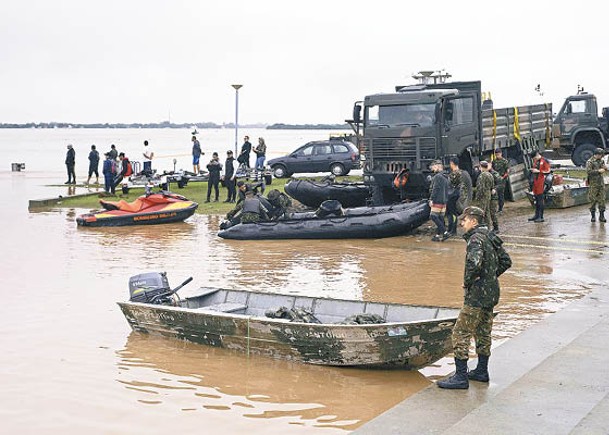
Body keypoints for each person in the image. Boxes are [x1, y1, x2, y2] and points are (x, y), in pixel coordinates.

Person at [437, 206, 512, 389]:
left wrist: (469, 281)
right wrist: (490, 277)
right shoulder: (490, 236)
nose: (462, 223)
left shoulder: (475, 239)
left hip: (477, 295)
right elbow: (506, 261)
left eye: (465, 220)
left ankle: (461, 377)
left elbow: (474, 263)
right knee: (483, 331)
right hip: (492, 292)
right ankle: (481, 371)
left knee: (460, 332)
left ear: (474, 221)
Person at [429, 160, 449, 241]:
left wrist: (431, 199)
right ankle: (437, 235)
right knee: (440, 219)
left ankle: (445, 232)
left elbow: (435, 189)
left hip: (437, 200)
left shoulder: (437, 177)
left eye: (433, 166)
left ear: (437, 166)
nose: (432, 168)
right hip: (444, 201)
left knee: (433, 216)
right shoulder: (446, 176)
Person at [528, 150, 550, 223]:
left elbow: (548, 171)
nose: (534, 160)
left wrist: (538, 171)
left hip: (542, 182)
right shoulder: (536, 161)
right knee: (536, 199)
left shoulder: (544, 160)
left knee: (540, 199)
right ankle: (536, 215)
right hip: (536, 182)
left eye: (534, 158)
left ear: (537, 155)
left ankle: (541, 216)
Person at [586, 148, 607, 222]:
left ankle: (602, 216)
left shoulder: (601, 161)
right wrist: (598, 171)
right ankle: (593, 216)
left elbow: (604, 168)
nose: (601, 157)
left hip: (601, 183)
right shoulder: (590, 162)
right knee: (593, 200)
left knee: (602, 200)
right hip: (593, 184)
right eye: (601, 155)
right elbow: (588, 171)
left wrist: (605, 168)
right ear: (597, 154)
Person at [473, 161, 494, 228]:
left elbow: (480, 188)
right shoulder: (490, 174)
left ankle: (481, 226)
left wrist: (477, 197)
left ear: (481, 167)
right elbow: (492, 186)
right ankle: (488, 226)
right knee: (487, 212)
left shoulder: (482, 176)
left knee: (480, 212)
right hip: (488, 195)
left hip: (482, 196)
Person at [489, 162, 502, 232]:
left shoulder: (494, 174)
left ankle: (496, 227)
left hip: (493, 197)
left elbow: (500, 184)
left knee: (492, 212)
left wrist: (495, 189)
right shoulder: (484, 173)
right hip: (487, 196)